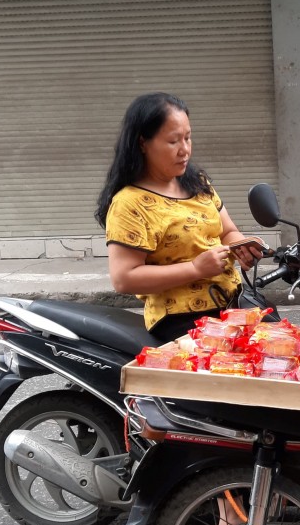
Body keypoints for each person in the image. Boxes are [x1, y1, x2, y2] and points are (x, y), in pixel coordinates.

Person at [95, 92, 263, 342]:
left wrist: (242, 246)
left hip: (231, 304)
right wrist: (195, 268)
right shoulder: (129, 203)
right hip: (179, 320)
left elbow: (227, 232)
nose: (184, 149)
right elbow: (124, 278)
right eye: (173, 141)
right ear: (143, 143)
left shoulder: (197, 183)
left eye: (188, 137)